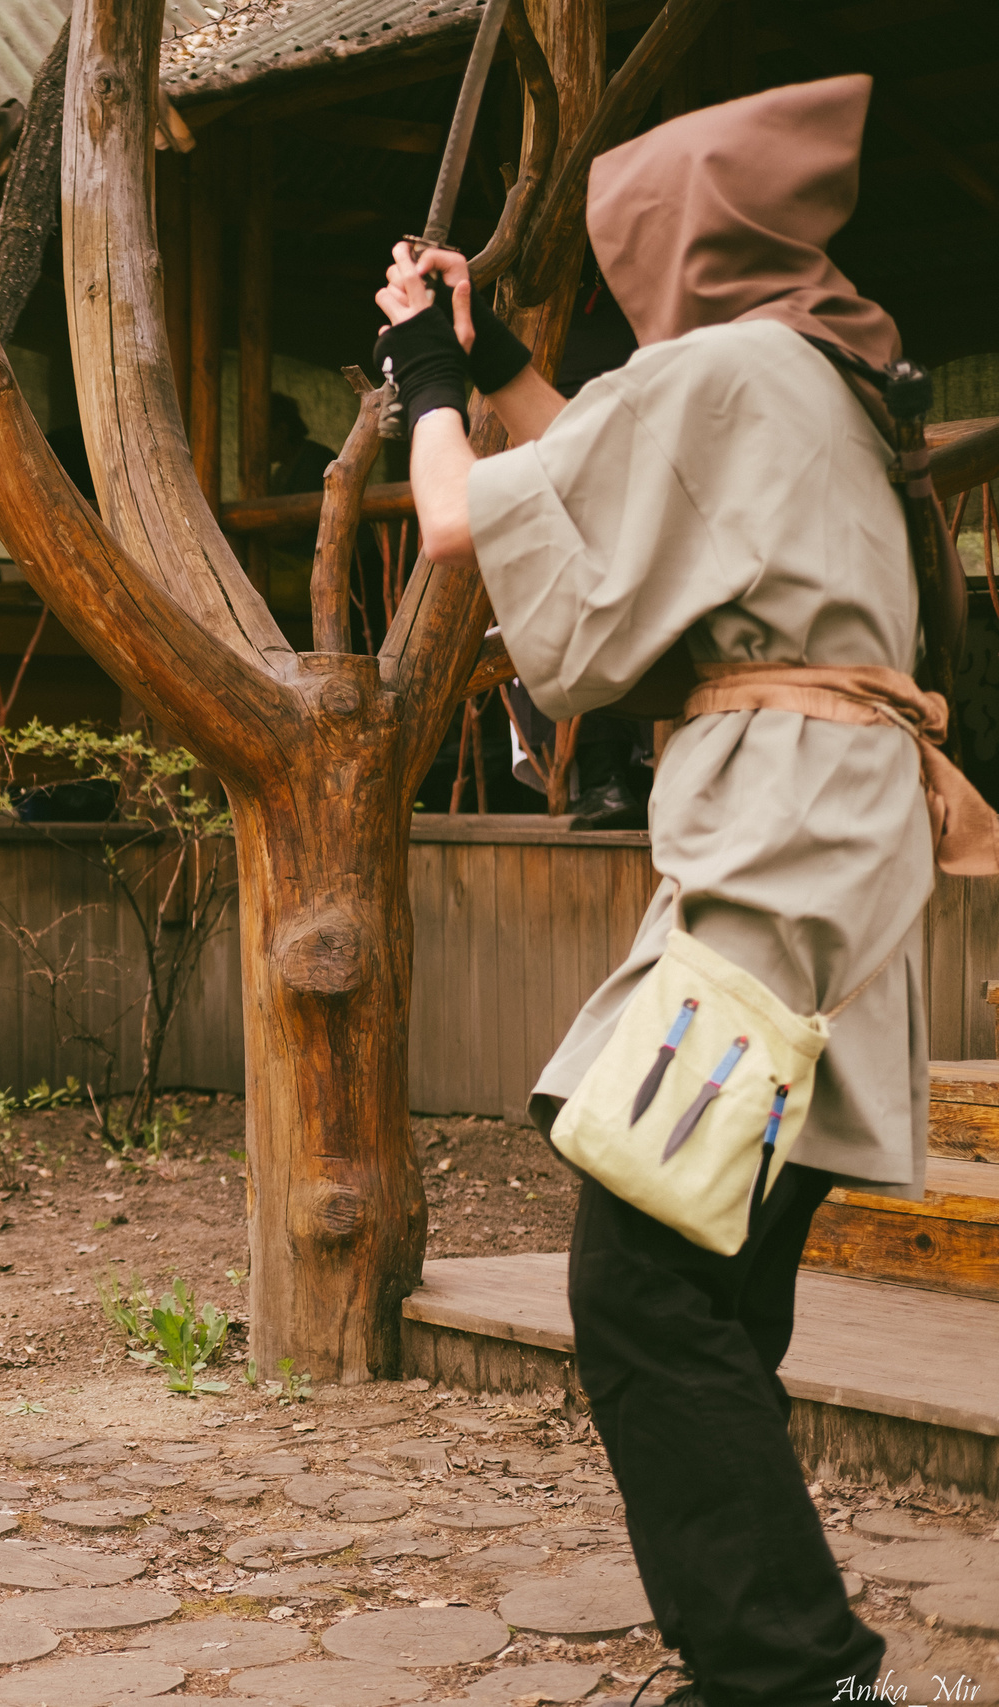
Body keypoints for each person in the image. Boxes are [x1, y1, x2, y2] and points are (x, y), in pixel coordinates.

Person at [373, 77, 951, 1704]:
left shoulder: (732, 371)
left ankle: (794, 1669)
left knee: (641, 1282)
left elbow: (457, 521)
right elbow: (619, 482)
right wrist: (488, 364)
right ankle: (753, 1657)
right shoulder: (818, 379)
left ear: (683, 237)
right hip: (840, 863)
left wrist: (422, 376)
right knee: (724, 1270)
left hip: (773, 869)